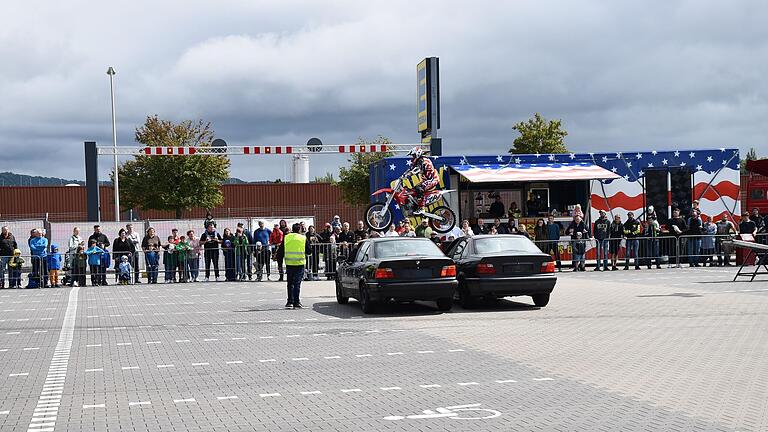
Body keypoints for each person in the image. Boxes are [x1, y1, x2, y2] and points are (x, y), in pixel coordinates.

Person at [282, 223, 313, 309]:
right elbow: (309, 251)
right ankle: (296, 302)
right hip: (299, 263)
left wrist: (279, 260)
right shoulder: (303, 238)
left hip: (289, 263)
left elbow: (281, 249)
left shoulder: (286, 237)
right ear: (299, 230)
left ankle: (289, 302)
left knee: (290, 283)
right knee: (297, 284)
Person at [404, 147, 439, 215]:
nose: (412, 157)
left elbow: (417, 169)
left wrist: (409, 174)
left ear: (418, 154)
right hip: (427, 180)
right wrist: (403, 175)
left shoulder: (423, 160)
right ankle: (416, 206)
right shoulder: (418, 161)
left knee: (419, 189)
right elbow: (411, 168)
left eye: (413, 155)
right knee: (413, 190)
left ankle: (422, 208)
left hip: (432, 179)